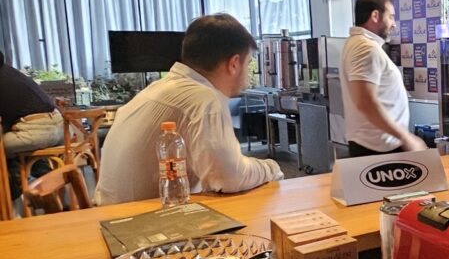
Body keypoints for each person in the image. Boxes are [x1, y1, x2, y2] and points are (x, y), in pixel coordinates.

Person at [95, 13, 282, 204]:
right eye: (248, 63)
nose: (248, 78)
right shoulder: (203, 98)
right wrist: (271, 168)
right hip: (140, 217)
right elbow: (229, 178)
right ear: (234, 64)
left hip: (109, 211)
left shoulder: (160, 88)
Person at [341, 0, 425, 157]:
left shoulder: (359, 44)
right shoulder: (365, 48)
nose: (394, 24)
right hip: (377, 149)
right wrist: (405, 137)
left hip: (379, 146)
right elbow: (365, 102)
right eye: (391, 17)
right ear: (375, 16)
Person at [0, 51, 65, 186]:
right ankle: (41, 175)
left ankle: (15, 189)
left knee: (2, 148)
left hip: (37, 133)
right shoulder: (12, 73)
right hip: (59, 128)